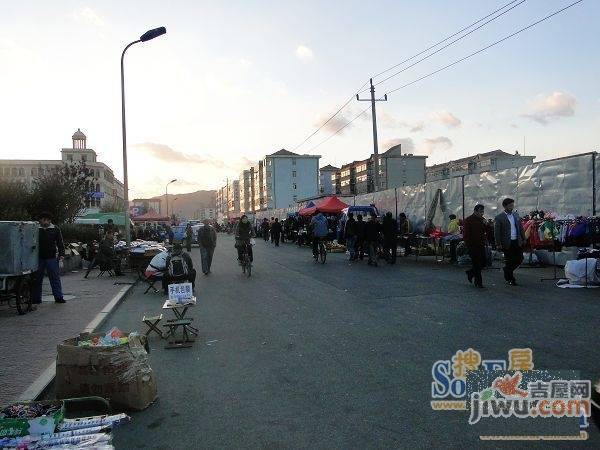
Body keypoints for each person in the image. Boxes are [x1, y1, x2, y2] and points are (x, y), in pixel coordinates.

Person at [33, 212, 66, 304]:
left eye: (47, 220)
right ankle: (36, 298)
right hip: (39, 258)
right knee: (37, 278)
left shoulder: (55, 229)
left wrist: (61, 254)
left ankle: (58, 297)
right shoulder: (36, 229)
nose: (46, 221)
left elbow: (60, 243)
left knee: (55, 278)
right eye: (44, 219)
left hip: (51, 257)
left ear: (50, 220)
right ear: (40, 220)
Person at [494, 198, 525, 286]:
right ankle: (510, 278)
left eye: (512, 205)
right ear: (505, 206)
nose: (512, 207)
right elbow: (497, 232)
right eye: (510, 205)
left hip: (517, 241)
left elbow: (520, 227)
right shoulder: (499, 217)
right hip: (507, 242)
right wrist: (498, 244)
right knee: (510, 260)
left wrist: (524, 238)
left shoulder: (516, 215)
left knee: (520, 258)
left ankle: (507, 270)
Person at [463, 204, 487, 288]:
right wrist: (468, 245)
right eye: (480, 211)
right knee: (476, 263)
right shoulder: (468, 220)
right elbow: (466, 234)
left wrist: (486, 225)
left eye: (483, 211)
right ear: (475, 211)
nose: (482, 213)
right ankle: (478, 282)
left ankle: (470, 272)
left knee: (483, 262)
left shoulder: (482, 220)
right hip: (472, 245)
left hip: (481, 244)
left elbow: (486, 231)